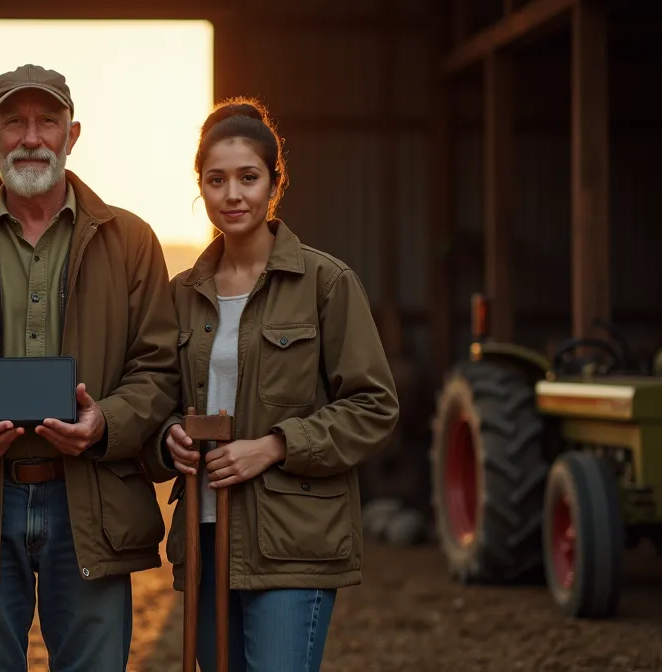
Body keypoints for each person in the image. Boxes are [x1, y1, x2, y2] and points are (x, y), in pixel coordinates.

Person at [0, 64, 180, 671]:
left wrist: (105, 422)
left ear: (72, 133)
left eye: (47, 122)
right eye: (14, 122)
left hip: (91, 501)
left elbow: (159, 370)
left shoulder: (133, 242)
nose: (30, 137)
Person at [144, 98, 400, 671]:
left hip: (292, 543)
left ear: (275, 184)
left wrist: (276, 445)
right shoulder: (181, 294)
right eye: (216, 180)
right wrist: (169, 439)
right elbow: (158, 399)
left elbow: (375, 406)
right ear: (200, 187)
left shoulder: (326, 284)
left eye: (248, 177)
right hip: (205, 538)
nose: (232, 194)